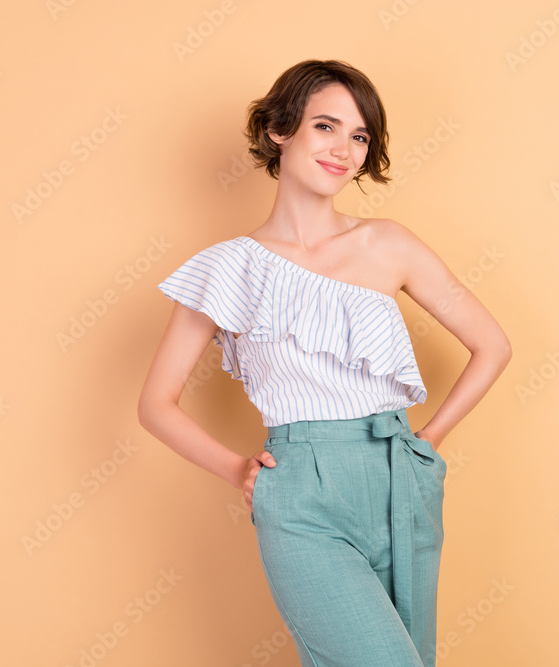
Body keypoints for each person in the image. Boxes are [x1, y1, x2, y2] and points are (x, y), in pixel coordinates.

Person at [137, 59, 511, 666]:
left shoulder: (388, 244)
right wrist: (238, 471)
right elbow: (154, 403)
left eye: (360, 136)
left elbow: (493, 346)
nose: (344, 149)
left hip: (401, 478)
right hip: (301, 491)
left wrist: (428, 444)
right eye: (326, 127)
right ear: (280, 131)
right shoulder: (229, 268)